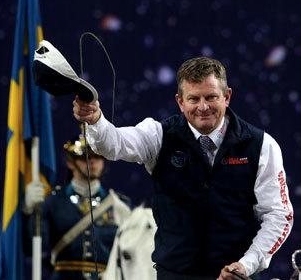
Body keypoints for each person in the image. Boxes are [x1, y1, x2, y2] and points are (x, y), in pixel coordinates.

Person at [72, 56, 294, 279]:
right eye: (193, 99)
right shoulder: (157, 136)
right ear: (180, 102)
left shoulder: (262, 145)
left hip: (238, 277)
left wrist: (246, 264)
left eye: (211, 97)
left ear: (227, 97)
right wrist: (96, 121)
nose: (203, 107)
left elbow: (279, 215)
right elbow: (115, 143)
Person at [24, 131, 131, 280]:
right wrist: (28, 211)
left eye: (98, 157)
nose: (92, 162)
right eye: (84, 157)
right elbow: (33, 248)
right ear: (70, 162)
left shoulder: (120, 205)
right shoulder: (52, 202)